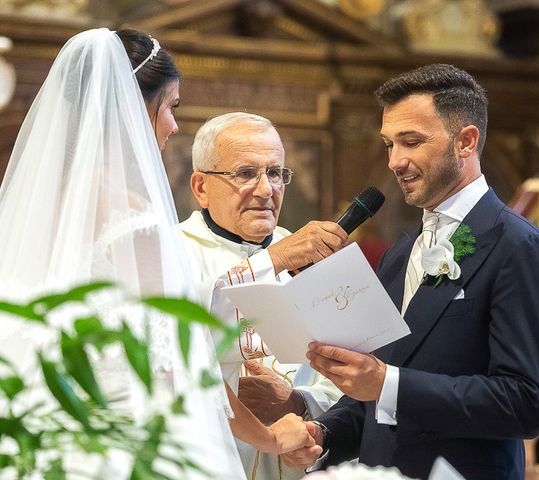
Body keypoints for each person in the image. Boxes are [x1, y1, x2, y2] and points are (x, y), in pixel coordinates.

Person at [0, 28, 310, 479]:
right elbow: (181, 366)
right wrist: (269, 437)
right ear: (133, 107)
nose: (173, 125)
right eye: (170, 106)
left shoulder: (37, 207)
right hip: (127, 443)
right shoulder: (131, 217)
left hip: (53, 435)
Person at [282, 64, 539, 479]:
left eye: (411, 142)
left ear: (466, 141)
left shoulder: (519, 247)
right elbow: (371, 391)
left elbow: (524, 404)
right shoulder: (401, 253)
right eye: (389, 145)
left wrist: (387, 384)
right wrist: (324, 433)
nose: (395, 161)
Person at [181, 112, 347, 479]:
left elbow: (350, 378)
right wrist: (274, 259)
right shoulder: (170, 252)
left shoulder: (314, 260)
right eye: (244, 173)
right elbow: (174, 343)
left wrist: (300, 403)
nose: (265, 189)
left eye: (275, 173)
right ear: (201, 187)